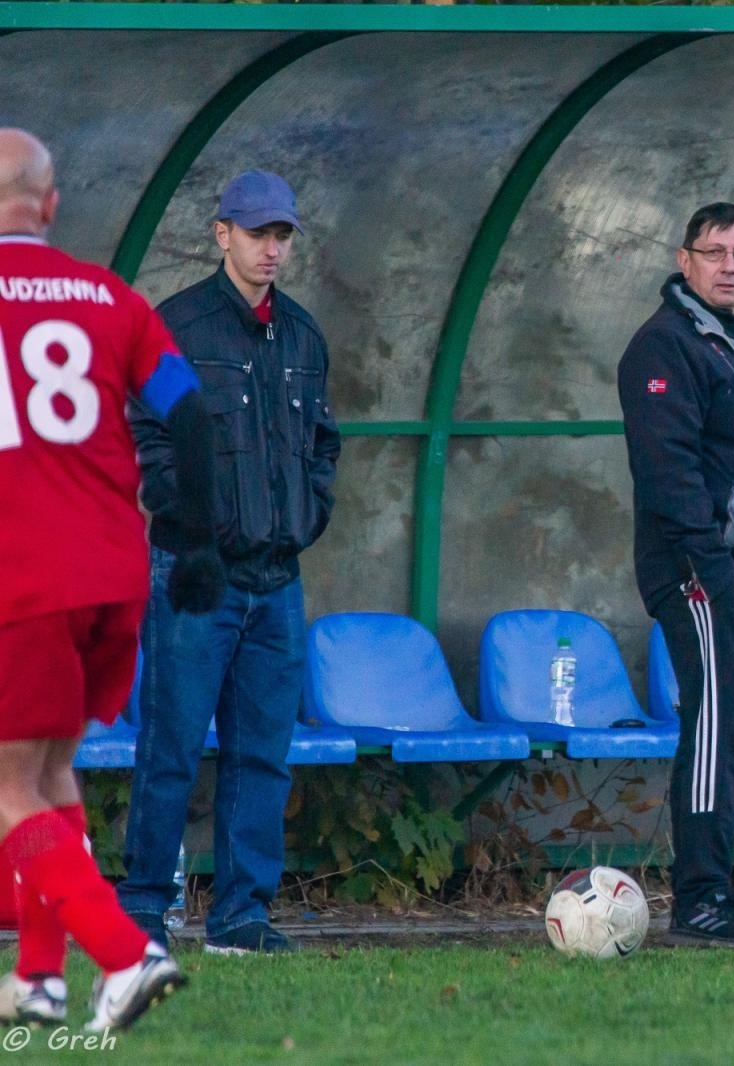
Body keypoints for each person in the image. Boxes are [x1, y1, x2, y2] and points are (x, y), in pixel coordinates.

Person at [0, 127, 225, 1031]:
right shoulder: (110, 297)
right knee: (49, 768)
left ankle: (128, 954)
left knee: (6, 784)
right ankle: (41, 980)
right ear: (52, 206)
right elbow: (192, 413)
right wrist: (198, 540)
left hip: (19, 572)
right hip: (112, 568)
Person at [117, 170, 340, 956]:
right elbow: (148, 437)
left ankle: (243, 916)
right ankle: (146, 909)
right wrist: (198, 530)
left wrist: (304, 517)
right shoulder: (175, 327)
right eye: (257, 233)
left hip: (277, 580)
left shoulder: (305, 337)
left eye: (282, 235)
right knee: (170, 745)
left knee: (261, 755)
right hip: (196, 576)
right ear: (222, 235)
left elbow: (322, 446)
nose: (272, 248)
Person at [618, 203, 734, 945]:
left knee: (732, 733)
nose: (730, 265)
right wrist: (716, 569)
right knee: (716, 727)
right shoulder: (664, 347)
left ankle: (715, 890)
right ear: (684, 259)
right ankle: (700, 901)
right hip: (702, 576)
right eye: (715, 252)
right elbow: (669, 474)